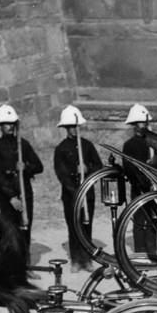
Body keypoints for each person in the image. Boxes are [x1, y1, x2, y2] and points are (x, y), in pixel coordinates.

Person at [53, 105, 102, 270]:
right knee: (74, 226)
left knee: (86, 226)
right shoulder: (61, 149)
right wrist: (75, 191)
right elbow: (61, 173)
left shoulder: (87, 146)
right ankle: (76, 259)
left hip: (87, 194)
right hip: (71, 195)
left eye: (75, 126)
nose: (73, 129)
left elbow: (99, 166)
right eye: (70, 127)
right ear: (65, 128)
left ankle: (87, 259)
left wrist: (87, 168)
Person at [0, 104, 43, 247]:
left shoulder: (23, 144)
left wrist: (26, 167)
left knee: (26, 229)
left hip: (25, 193)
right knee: (10, 231)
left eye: (12, 123)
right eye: (6, 123)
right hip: (7, 197)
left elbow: (39, 166)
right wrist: (11, 197)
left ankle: (26, 263)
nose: (10, 126)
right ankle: (13, 266)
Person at [122, 103, 157, 255]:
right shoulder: (129, 145)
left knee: (153, 218)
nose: (143, 125)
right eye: (140, 123)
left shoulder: (152, 143)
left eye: (145, 123)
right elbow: (128, 167)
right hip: (138, 187)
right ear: (134, 125)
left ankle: (152, 249)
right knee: (139, 219)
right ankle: (140, 251)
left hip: (154, 187)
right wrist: (142, 179)